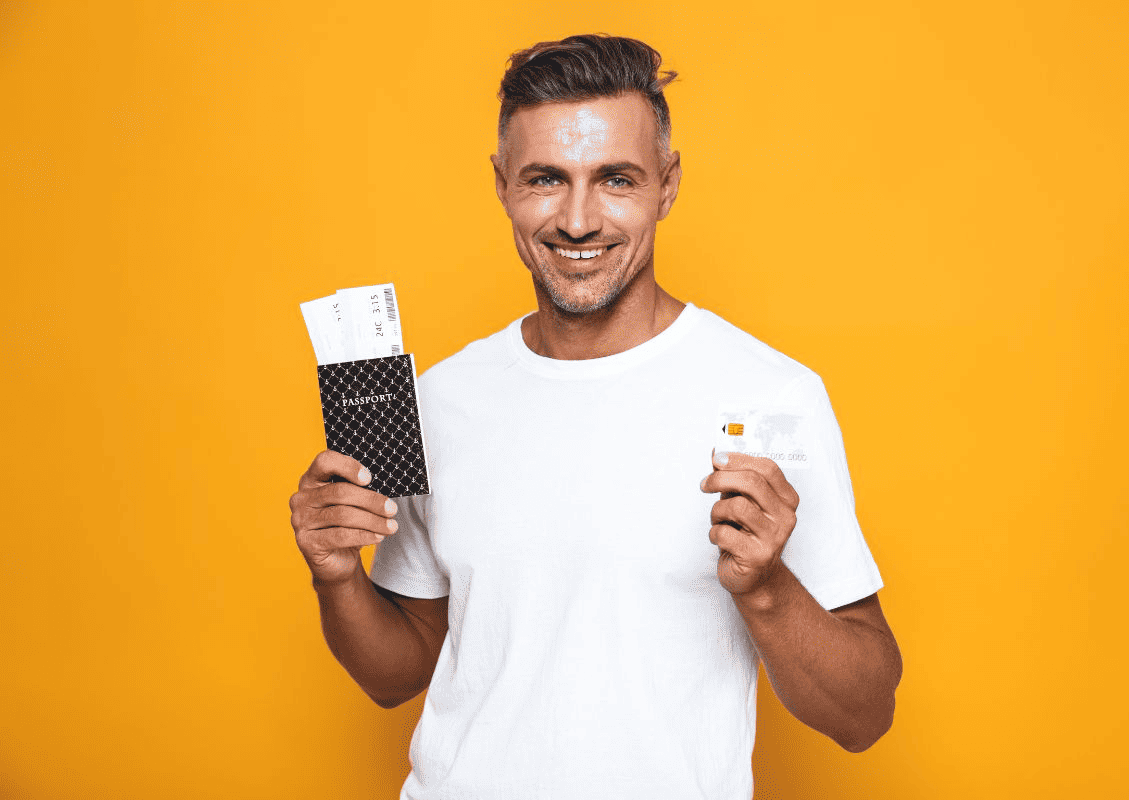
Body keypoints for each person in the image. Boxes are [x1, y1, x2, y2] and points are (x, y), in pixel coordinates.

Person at [289, 34, 902, 799]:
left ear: (667, 184)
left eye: (616, 179)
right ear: (503, 183)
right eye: (546, 179)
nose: (578, 220)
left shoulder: (770, 396)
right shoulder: (440, 399)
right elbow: (398, 671)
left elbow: (864, 715)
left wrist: (768, 587)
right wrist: (337, 577)